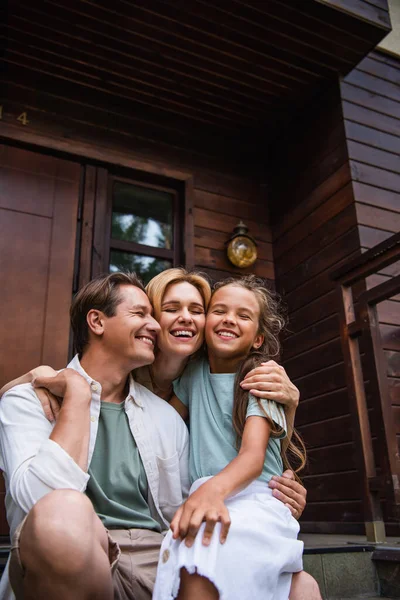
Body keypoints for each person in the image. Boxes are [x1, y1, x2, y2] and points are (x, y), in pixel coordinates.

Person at [0, 269, 319, 599]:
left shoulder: (168, 414)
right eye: (146, 314)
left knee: (301, 587)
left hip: (158, 551)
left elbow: (237, 460)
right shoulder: (40, 399)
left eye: (197, 310)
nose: (154, 325)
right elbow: (42, 504)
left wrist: (271, 489)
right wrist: (73, 392)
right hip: (75, 552)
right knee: (62, 510)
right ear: (97, 322)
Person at [153, 275, 307, 600]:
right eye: (219, 310)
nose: (229, 319)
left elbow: (253, 458)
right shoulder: (193, 375)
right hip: (207, 494)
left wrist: (211, 491)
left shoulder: (261, 378)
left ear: (258, 339)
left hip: (254, 498)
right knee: (196, 566)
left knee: (209, 561)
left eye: (243, 315)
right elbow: (161, 422)